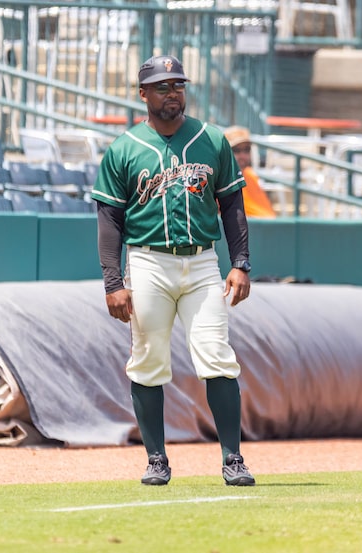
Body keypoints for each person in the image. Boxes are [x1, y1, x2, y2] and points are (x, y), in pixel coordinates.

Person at [91, 54, 255, 487]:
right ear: (143, 93)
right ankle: (157, 459)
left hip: (202, 261)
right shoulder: (125, 149)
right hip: (148, 261)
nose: (172, 93)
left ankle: (232, 458)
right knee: (147, 360)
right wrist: (113, 281)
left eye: (178, 84)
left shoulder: (211, 139)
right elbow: (109, 220)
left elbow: (232, 206)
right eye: (162, 86)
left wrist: (240, 263)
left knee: (217, 356)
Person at [223, 126, 277, 218]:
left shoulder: (250, 174)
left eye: (246, 150)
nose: (243, 155)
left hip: (267, 228)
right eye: (236, 150)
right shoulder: (221, 179)